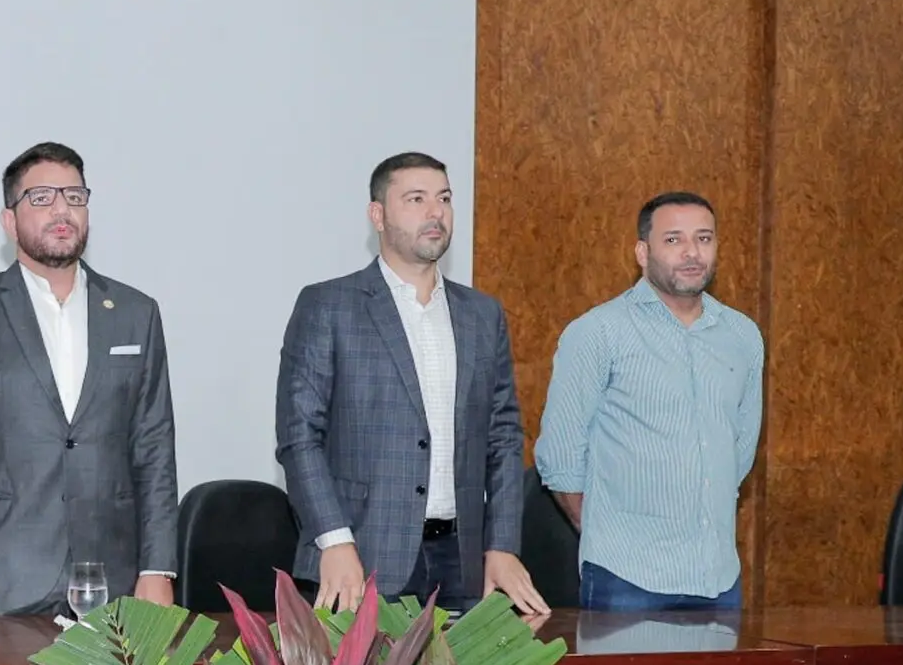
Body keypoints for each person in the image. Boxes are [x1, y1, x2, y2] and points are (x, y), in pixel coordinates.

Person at [277, 151, 545, 615]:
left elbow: (503, 436)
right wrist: (334, 540)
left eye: (444, 198)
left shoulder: (481, 314)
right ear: (377, 215)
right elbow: (299, 436)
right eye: (416, 199)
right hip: (358, 557)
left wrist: (502, 544)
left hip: (462, 563)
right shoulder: (329, 306)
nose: (435, 212)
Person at [0, 141, 180, 617]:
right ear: (9, 220)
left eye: (75, 197)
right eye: (41, 198)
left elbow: (155, 448)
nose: (62, 210)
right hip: (2, 577)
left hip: (115, 578)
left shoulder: (135, 313)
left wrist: (158, 569)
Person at [535, 191, 764, 611]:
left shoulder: (742, 336)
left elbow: (740, 449)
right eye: (673, 240)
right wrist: (605, 531)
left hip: (718, 577)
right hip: (625, 578)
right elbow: (561, 457)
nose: (692, 252)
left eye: (704, 238)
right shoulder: (598, 332)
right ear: (643, 252)